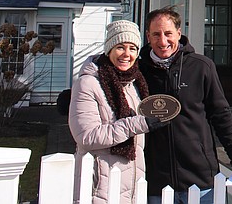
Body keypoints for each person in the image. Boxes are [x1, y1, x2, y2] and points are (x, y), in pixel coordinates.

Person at [139, 6, 232, 204]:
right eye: (156, 34)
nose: (163, 41)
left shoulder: (201, 66)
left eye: (168, 33)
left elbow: (221, 115)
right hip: (155, 181)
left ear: (179, 34)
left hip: (200, 179)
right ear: (148, 36)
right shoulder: (138, 72)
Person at [69, 20, 166, 204]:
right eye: (120, 47)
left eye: (132, 48)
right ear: (109, 49)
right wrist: (139, 124)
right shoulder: (88, 83)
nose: (127, 54)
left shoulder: (134, 84)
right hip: (100, 187)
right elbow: (87, 136)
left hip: (131, 186)